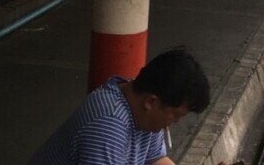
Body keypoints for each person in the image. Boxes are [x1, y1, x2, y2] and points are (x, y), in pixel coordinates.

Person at [29, 47, 212, 165]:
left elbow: (155, 159)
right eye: (176, 115)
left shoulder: (142, 106)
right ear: (151, 102)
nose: (175, 122)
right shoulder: (108, 125)